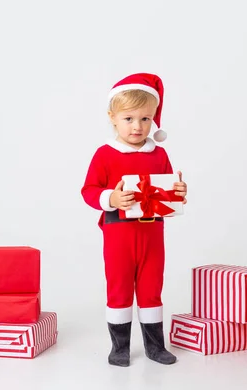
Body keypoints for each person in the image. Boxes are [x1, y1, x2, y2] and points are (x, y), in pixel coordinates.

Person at [81, 73, 188, 367]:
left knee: (152, 287)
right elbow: (89, 191)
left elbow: (168, 189)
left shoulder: (160, 154)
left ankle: (155, 347)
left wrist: (179, 192)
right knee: (119, 287)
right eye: (129, 119)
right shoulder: (105, 155)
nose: (138, 126)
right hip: (118, 234)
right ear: (112, 118)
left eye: (145, 119)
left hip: (153, 232)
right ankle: (120, 348)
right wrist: (111, 199)